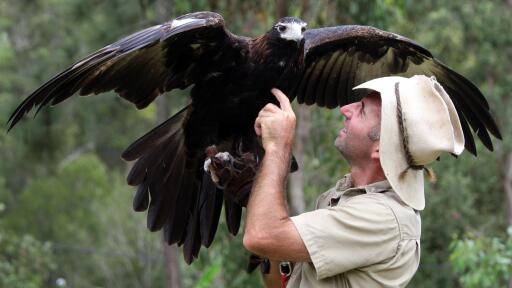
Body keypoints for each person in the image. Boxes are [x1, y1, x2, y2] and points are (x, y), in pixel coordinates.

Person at [242, 75, 465, 287]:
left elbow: (261, 236)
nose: (346, 109)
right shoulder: (344, 198)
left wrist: (278, 147)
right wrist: (260, 203)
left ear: (379, 148)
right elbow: (279, 280)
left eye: (362, 111)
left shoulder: (382, 218)